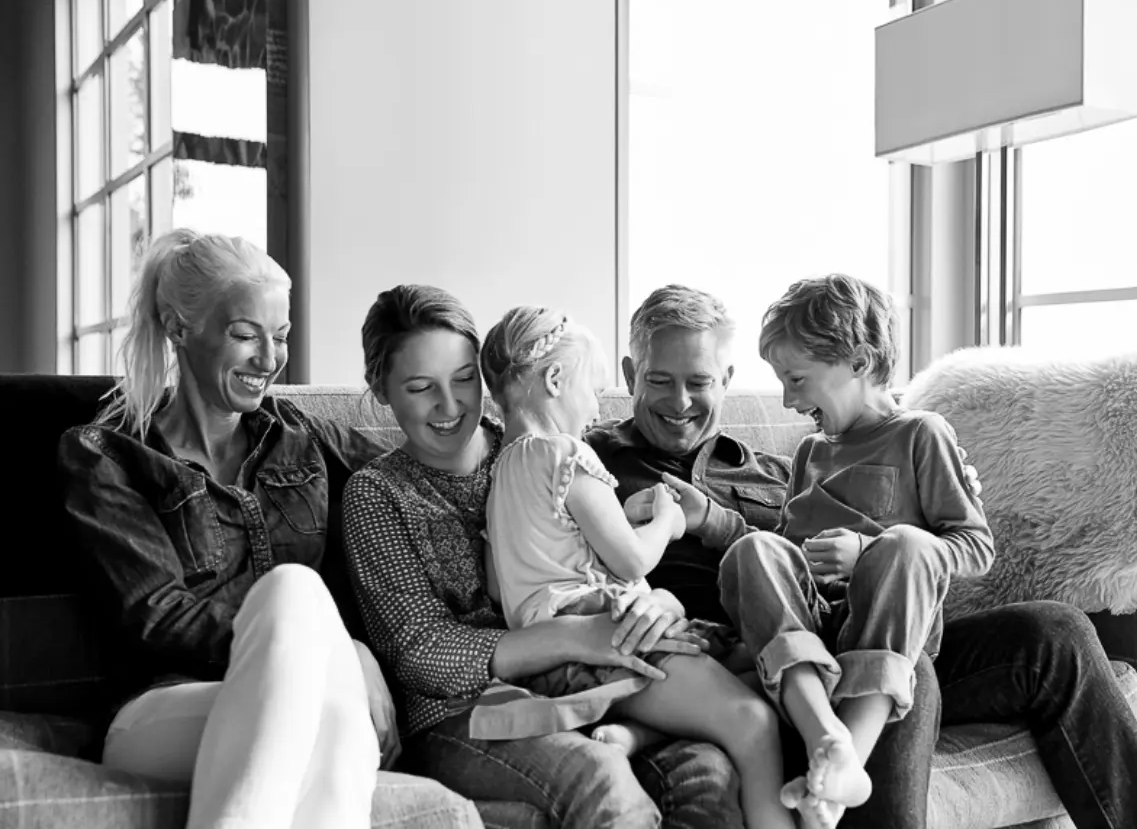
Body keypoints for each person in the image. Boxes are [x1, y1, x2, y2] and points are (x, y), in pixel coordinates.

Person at [590, 282, 1137, 829]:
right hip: (764, 661)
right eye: (659, 381)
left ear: (726, 378)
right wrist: (649, 587)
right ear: (630, 375)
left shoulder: (777, 466)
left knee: (1055, 631)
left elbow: (919, 543)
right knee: (910, 674)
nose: (682, 402)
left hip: (878, 623)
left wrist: (916, 521)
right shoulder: (589, 464)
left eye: (699, 381)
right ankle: (838, 750)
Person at [342, 284, 747, 829]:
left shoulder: (539, 449)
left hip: (593, 678)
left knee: (705, 769)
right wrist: (576, 636)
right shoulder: (377, 493)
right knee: (597, 776)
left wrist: (660, 607)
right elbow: (419, 650)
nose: (450, 405)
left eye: (464, 380)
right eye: (420, 388)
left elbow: (617, 565)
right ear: (382, 389)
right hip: (463, 711)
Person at [57, 229, 399, 829]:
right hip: (162, 707)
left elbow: (416, 470)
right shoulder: (107, 456)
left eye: (282, 336)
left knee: (341, 721)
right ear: (180, 327)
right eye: (245, 334)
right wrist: (340, 647)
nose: (270, 359)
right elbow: (159, 616)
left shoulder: (300, 436)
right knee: (295, 594)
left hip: (309, 700)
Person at [476, 305, 794, 829]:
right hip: (611, 632)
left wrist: (612, 521)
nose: (596, 410)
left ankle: (636, 733)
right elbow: (632, 558)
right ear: (556, 380)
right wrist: (667, 520)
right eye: (594, 392)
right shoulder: (568, 453)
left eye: (699, 381)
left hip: (550, 658)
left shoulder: (501, 471)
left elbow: (500, 581)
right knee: (756, 721)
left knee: (750, 664)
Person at [731, 273, 995, 827]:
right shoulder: (808, 452)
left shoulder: (922, 433)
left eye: (797, 378)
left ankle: (852, 748)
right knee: (755, 548)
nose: (787, 398)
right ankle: (826, 739)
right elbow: (786, 553)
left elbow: (974, 547)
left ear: (857, 360)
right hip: (813, 630)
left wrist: (867, 551)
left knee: (904, 544)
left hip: (890, 625)